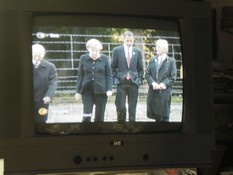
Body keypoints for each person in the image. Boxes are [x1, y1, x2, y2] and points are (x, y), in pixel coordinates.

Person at [75, 38, 113, 122]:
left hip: (102, 91)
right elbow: (80, 75)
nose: (94, 53)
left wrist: (109, 89)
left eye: (96, 51)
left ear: (99, 49)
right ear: (88, 49)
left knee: (99, 116)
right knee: (87, 115)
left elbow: (109, 75)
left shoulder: (105, 59)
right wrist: (78, 91)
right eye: (92, 51)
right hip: (87, 91)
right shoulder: (83, 58)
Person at [111, 31, 144, 122]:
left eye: (131, 41)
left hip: (133, 83)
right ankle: (121, 126)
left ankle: (131, 127)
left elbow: (141, 68)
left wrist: (139, 80)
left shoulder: (137, 51)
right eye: (127, 41)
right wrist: (114, 79)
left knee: (132, 108)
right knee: (120, 106)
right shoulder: (117, 50)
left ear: (133, 40)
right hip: (121, 82)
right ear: (124, 40)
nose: (129, 43)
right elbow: (112, 67)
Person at [145, 39, 177, 122]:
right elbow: (147, 74)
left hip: (164, 93)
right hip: (154, 92)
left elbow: (173, 77)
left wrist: (164, 84)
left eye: (159, 47)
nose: (157, 48)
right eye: (156, 46)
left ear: (164, 49)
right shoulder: (152, 60)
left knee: (165, 118)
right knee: (156, 117)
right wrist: (153, 83)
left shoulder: (171, 61)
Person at [32, 43, 58, 123]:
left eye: (39, 54)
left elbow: (53, 83)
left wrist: (49, 96)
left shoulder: (50, 67)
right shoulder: (23, 65)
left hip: (42, 100)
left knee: (42, 120)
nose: (37, 57)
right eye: (35, 54)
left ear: (44, 54)